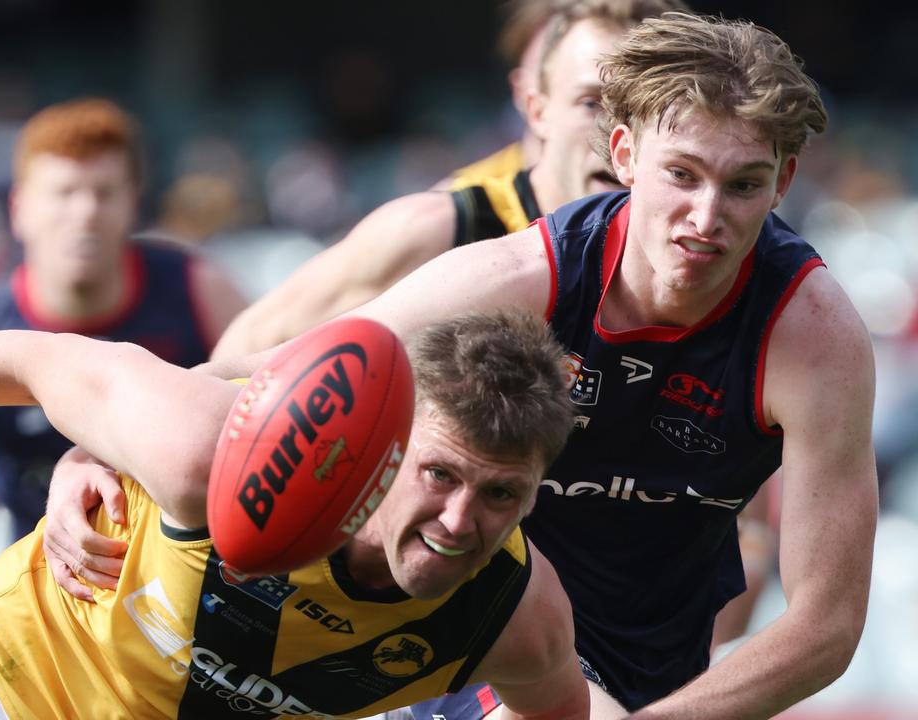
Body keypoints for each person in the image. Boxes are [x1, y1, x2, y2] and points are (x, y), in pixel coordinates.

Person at [56, 12, 879, 718]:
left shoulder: (812, 337)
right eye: (682, 176)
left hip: (649, 662)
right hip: (460, 613)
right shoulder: (509, 271)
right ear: (623, 154)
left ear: (785, 184)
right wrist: (93, 448)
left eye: (744, 185)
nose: (707, 217)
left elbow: (829, 623)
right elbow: (275, 373)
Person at [0, 312, 590, 719]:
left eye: (501, 495)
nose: (461, 520)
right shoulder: (213, 453)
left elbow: (553, 712)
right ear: (384, 448)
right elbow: (37, 361)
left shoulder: (515, 617)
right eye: (438, 475)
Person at [0, 98, 247, 596]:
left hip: (193, 603)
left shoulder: (201, 295)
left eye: (103, 192)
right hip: (48, 618)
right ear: (20, 210)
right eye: (63, 193)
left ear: (133, 203)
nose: (84, 212)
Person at [207, 0, 685, 361]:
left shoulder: (706, 254)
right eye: (589, 102)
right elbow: (247, 350)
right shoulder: (444, 228)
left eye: (645, 107)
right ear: (532, 105)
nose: (616, 133)